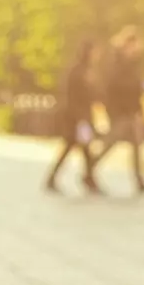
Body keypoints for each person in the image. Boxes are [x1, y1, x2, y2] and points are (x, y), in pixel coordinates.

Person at [86, 26, 144, 195]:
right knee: (111, 142)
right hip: (120, 111)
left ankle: (139, 180)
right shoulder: (117, 63)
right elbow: (114, 87)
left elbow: (135, 88)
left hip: (131, 110)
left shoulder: (132, 63)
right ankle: (89, 169)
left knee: (136, 145)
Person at [44, 39, 101, 194]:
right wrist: (81, 118)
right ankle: (86, 180)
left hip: (81, 117)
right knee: (75, 148)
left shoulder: (86, 71)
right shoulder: (78, 72)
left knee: (83, 150)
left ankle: (88, 179)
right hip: (76, 118)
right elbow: (74, 97)